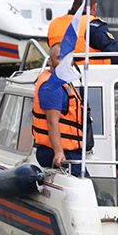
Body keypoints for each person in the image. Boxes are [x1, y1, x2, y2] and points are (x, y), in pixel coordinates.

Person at [31, 42, 86, 176]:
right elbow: (52, 122)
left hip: (71, 150)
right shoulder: (52, 87)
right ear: (50, 61)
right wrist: (59, 152)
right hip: (58, 152)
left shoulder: (64, 81)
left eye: (66, 59)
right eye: (59, 58)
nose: (63, 63)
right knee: (92, 188)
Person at [46, 0, 118, 65]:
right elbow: (117, 51)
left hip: (61, 76)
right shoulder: (91, 25)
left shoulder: (54, 24)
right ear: (94, 7)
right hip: (92, 78)